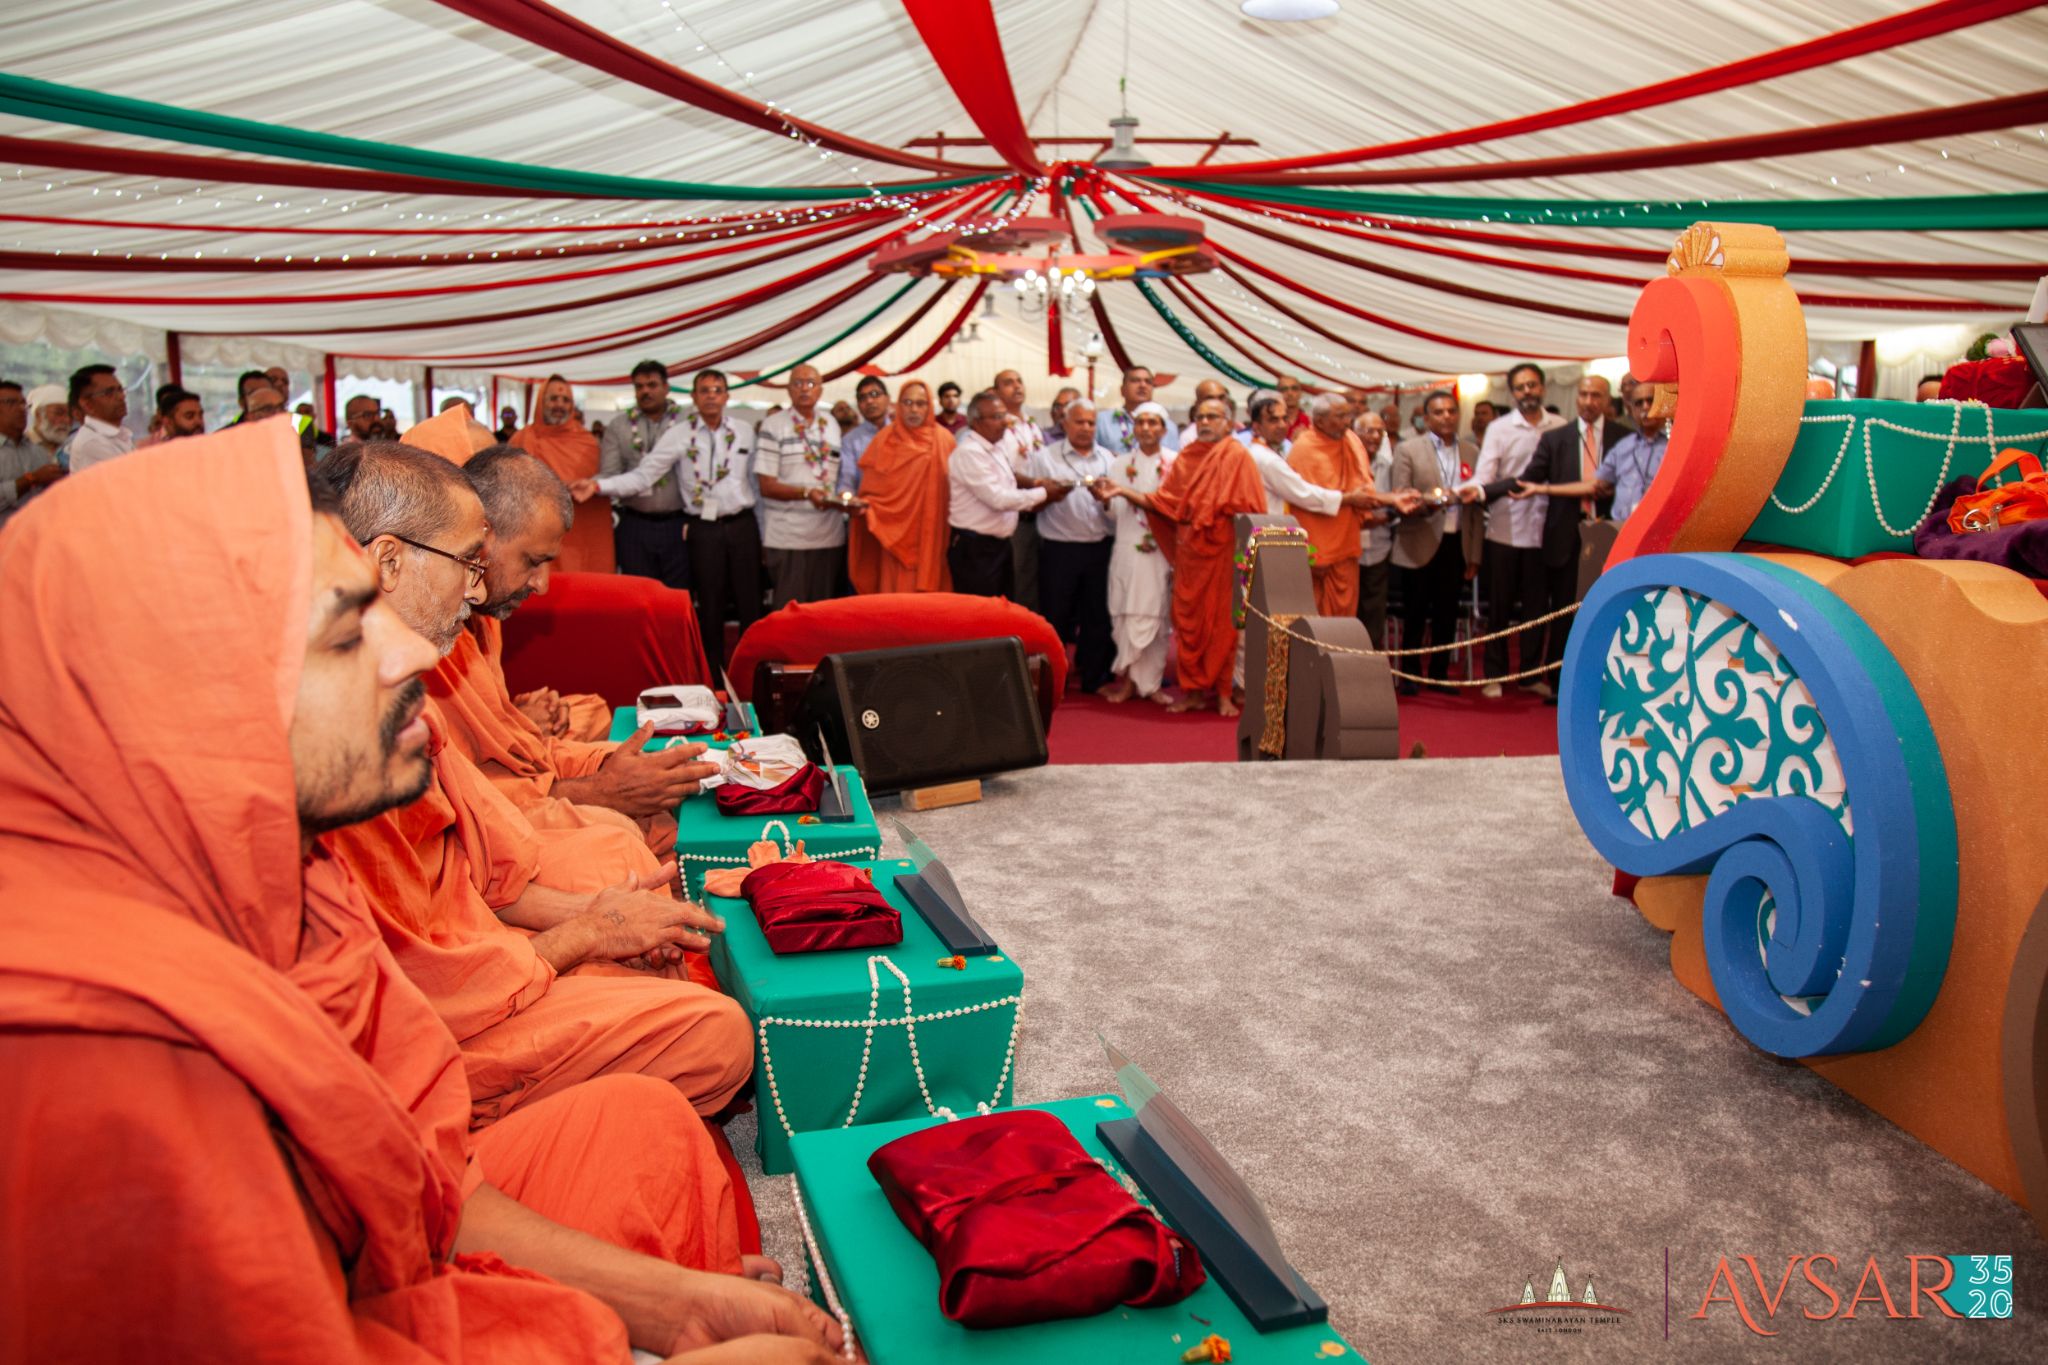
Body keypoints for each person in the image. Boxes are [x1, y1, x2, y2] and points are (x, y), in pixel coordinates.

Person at [0, 423, 843, 1363]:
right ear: (194, 689)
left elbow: (424, 1179)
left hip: (419, 1245)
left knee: (647, 1130)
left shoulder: (271, 867)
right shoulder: (96, 1060)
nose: (408, 658)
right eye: (345, 632)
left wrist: (675, 1312)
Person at [321, 437, 751, 1109]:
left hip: (486, 956)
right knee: (713, 1033)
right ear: (387, 559)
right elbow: (412, 985)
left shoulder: (402, 687)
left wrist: (603, 917)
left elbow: (484, 865)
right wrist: (583, 932)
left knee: (625, 884)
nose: (478, 582)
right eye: (468, 559)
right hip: (436, 1040)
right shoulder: (327, 735)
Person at [432, 439, 717, 845]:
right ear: (481, 536)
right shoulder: (425, 627)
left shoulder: (479, 612)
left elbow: (494, 734)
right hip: (479, 830)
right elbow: (456, 799)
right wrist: (603, 792)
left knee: (594, 714)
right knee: (619, 844)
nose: (543, 585)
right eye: (533, 562)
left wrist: (519, 718)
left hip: (511, 784)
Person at [576, 369, 759, 676]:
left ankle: (752, 673)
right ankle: (712, 678)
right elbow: (644, 475)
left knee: (750, 604)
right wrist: (598, 487)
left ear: (726, 396)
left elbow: (756, 483)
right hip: (703, 528)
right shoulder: (680, 434)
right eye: (704, 390)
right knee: (709, 608)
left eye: (717, 389)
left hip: (743, 525)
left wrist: (763, 535)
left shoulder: (745, 431)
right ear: (694, 397)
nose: (711, 395)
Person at [1097, 396, 1265, 716]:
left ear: (1229, 423)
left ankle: (1224, 694)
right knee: (1189, 625)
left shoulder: (1237, 456)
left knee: (1222, 626)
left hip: (1223, 552)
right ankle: (1192, 693)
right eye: (1199, 416)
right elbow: (1166, 503)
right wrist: (1122, 491)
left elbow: (1253, 507)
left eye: (1213, 416)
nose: (1204, 422)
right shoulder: (1187, 458)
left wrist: (1214, 511)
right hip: (1190, 553)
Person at [1494, 373, 1626, 693]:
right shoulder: (1557, 438)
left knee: (1607, 608)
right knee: (1563, 609)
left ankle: (1602, 681)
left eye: (1596, 395)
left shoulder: (1624, 437)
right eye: (1583, 395)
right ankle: (1560, 683)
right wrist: (1482, 492)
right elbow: (1526, 481)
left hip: (1612, 534)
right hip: (1566, 536)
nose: (1589, 401)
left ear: (1607, 401)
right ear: (1575, 398)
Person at [1456, 363, 1567, 697]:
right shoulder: (1500, 428)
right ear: (1512, 392)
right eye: (1520, 388)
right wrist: (1472, 489)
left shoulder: (1560, 426)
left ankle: (1531, 675)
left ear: (1543, 388)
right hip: (1503, 530)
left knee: (1537, 609)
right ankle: (1494, 674)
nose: (1527, 392)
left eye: (1532, 385)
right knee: (1499, 608)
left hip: (1545, 531)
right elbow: (1485, 474)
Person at [1284, 393, 1418, 617]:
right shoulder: (1304, 449)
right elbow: (1314, 498)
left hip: (1346, 543)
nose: (1348, 421)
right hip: (1316, 548)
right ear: (1319, 420)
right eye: (1340, 416)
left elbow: (1361, 493)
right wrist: (1389, 499)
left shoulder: (1351, 441)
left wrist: (1392, 498)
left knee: (1345, 613)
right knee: (1311, 618)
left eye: (1348, 415)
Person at [1391, 390, 1482, 695]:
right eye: (1439, 412)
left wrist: (1475, 554)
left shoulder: (1471, 451)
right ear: (1426, 418)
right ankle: (1411, 675)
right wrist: (1433, 500)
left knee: (1447, 612)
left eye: (1451, 411)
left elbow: (1476, 509)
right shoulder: (1408, 450)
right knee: (1416, 612)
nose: (1446, 417)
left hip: (1456, 542)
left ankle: (1440, 674)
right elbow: (1400, 495)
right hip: (1419, 538)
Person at [1025, 398, 1117, 693]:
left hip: (1099, 548)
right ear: (1064, 424)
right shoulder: (1045, 457)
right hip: (1059, 549)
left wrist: (1105, 499)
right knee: (1056, 616)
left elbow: (1118, 506)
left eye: (1091, 422)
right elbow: (1028, 504)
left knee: (1098, 617)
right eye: (1079, 422)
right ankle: (1053, 682)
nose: (1086, 428)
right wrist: (1051, 494)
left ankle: (1094, 677)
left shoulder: (1109, 459)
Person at [756, 364, 854, 607]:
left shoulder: (831, 424)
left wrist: (842, 497)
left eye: (810, 383)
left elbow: (835, 477)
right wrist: (806, 493)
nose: (804, 389)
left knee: (822, 615)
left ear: (820, 390)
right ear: (788, 389)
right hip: (789, 538)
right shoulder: (774, 425)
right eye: (797, 383)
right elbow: (766, 486)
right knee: (789, 615)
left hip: (829, 537)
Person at [948, 389, 1060, 597]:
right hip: (975, 549)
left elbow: (1009, 475)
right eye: (996, 417)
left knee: (1002, 607)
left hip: (998, 544)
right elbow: (998, 498)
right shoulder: (969, 452)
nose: (1004, 422)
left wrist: (1035, 482)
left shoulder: (995, 446)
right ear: (976, 422)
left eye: (1004, 416)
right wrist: (1044, 493)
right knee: (980, 615)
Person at [1098, 402, 1175, 703]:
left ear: (1164, 429)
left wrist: (1123, 493)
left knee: (1156, 617)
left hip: (1160, 551)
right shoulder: (1119, 464)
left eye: (1153, 423)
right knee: (1125, 616)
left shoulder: (1175, 463)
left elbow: (1171, 508)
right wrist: (1104, 500)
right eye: (1140, 422)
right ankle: (1128, 683)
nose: (1146, 428)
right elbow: (1114, 514)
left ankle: (1151, 685)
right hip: (1128, 548)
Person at [847, 379, 951, 594]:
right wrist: (865, 506)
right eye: (907, 402)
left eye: (920, 403)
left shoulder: (945, 441)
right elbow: (871, 491)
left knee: (931, 611)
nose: (913, 409)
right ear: (898, 405)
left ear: (930, 406)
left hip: (931, 536)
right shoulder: (883, 440)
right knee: (895, 599)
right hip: (892, 537)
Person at [598, 359, 693, 591]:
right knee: (639, 594)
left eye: (652, 385)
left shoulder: (688, 422)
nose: (645, 392)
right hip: (635, 523)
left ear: (666, 387)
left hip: (679, 523)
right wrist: (590, 486)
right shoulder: (619, 425)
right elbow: (610, 473)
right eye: (639, 386)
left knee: (678, 594)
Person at [1525, 376, 1670, 523]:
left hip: (1660, 525)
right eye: (1639, 403)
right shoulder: (1625, 445)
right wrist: (1541, 489)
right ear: (1631, 408)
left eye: (1650, 401)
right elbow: (1595, 485)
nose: (1645, 407)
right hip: (1617, 528)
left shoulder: (1673, 444)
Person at [511, 374, 614, 574]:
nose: (559, 404)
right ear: (541, 402)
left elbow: (599, 485)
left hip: (581, 531)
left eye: (566, 400)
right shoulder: (522, 438)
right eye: (553, 399)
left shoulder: (588, 442)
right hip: (537, 530)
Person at [991, 368, 1046, 611]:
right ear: (996, 392)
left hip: (1042, 514)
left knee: (1036, 582)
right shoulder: (996, 427)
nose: (1017, 386)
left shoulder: (1032, 425)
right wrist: (1038, 486)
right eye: (1008, 383)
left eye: (1019, 380)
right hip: (1015, 517)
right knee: (1017, 582)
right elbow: (1001, 471)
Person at [1354, 408, 1398, 647]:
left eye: (1379, 431)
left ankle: (1370, 664)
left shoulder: (1389, 466)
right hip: (1348, 548)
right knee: (1349, 608)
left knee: (1375, 609)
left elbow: (1396, 505)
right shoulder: (1347, 463)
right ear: (1354, 433)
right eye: (1369, 430)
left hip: (1379, 547)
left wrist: (1375, 518)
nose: (1374, 436)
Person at [1, 380, 63, 531]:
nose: (21, 409)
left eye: (24, 404)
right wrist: (32, 478)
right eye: (11, 403)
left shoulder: (37, 451)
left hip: (34, 540)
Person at [1096, 364, 1182, 457]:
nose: (1142, 385)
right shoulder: (1102, 421)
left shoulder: (1168, 426)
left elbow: (1174, 462)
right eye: (1135, 381)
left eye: (1148, 382)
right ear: (1122, 390)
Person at [65, 364, 135, 474]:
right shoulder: (91, 442)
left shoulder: (118, 434)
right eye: (109, 393)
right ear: (88, 404)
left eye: (120, 390)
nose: (121, 397)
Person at [836, 374, 890, 497]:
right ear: (858, 405)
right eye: (862, 398)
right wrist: (846, 496)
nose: (869, 401)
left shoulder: (902, 433)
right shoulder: (850, 441)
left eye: (875, 394)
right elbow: (847, 478)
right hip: (866, 509)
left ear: (887, 399)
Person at [24, 382, 70, 459]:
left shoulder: (72, 447)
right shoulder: (20, 445)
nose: (67, 420)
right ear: (38, 415)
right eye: (59, 413)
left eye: (70, 414)